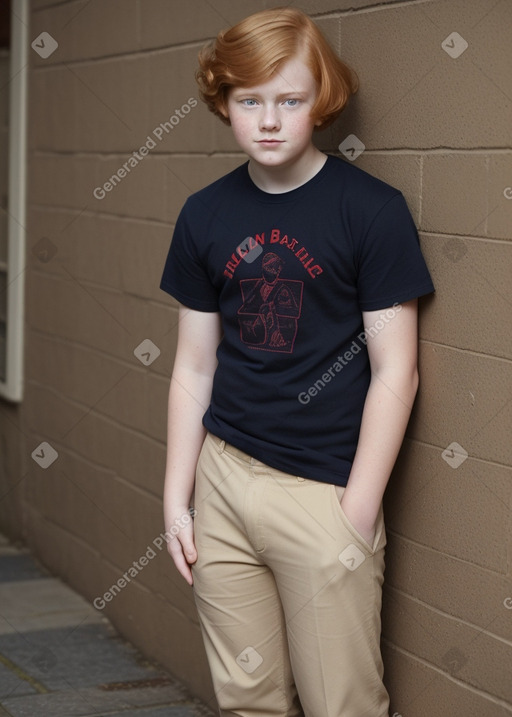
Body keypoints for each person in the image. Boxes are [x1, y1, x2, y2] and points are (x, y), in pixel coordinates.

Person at [159, 7, 434, 717]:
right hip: (222, 477)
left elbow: (395, 371)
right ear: (225, 103)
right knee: (247, 697)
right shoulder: (204, 214)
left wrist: (357, 510)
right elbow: (193, 366)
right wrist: (177, 495)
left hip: (322, 491)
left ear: (322, 101)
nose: (270, 120)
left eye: (290, 99)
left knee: (341, 702)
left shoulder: (370, 211)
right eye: (250, 100)